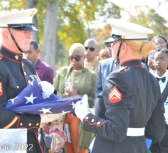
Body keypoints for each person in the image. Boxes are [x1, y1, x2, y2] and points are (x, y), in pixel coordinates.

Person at [75, 18, 166, 153]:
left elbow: (116, 131)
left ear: (123, 47)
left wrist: (86, 116)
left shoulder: (118, 77)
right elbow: (157, 131)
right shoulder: (152, 79)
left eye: (113, 43)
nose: (111, 47)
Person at [0, 8, 43, 153]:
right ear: (5, 34)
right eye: (24, 31)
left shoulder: (27, 64)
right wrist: (38, 120)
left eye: (30, 31)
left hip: (32, 144)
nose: (30, 35)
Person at [54, 43, 97, 153]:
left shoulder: (91, 75)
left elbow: (95, 99)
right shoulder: (62, 72)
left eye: (77, 57)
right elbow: (53, 93)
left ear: (84, 57)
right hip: (61, 118)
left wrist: (77, 96)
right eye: (71, 57)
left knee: (79, 149)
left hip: (80, 120)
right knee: (63, 149)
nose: (73, 60)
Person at [149, 49, 168, 153]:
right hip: (150, 126)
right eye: (156, 59)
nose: (158, 61)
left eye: (162, 59)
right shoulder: (147, 78)